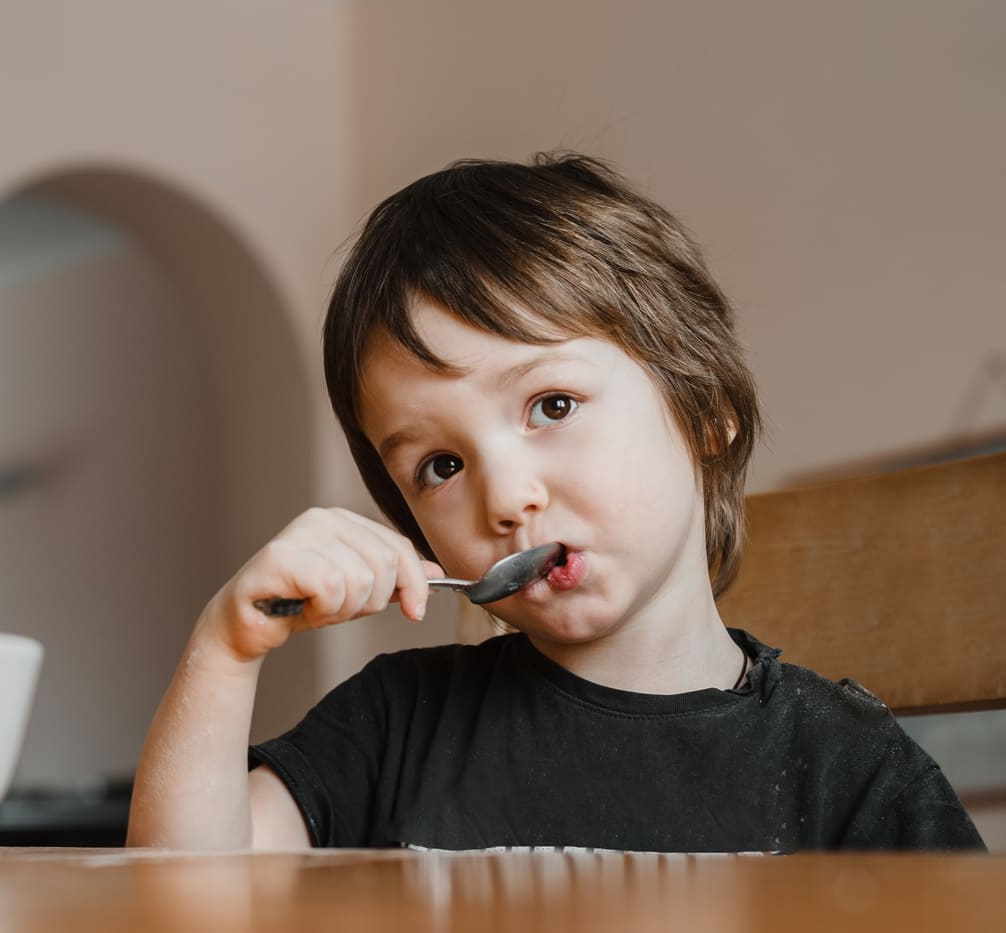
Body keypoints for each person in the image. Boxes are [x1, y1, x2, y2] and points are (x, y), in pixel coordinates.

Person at [125, 153, 985, 852]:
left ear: (703, 412)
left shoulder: (849, 772)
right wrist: (226, 648)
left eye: (552, 406)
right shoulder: (398, 722)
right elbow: (183, 899)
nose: (503, 497)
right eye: (440, 465)